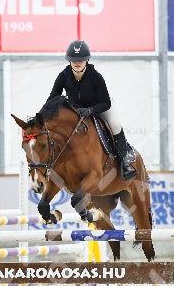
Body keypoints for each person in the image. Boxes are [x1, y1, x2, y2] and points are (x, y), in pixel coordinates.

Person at [48, 40, 137, 181]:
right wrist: (43, 116)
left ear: (87, 60)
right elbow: (52, 99)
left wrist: (90, 111)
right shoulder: (63, 76)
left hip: (99, 106)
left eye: (81, 60)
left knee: (114, 124)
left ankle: (125, 162)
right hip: (76, 110)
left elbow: (106, 103)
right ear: (69, 61)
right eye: (74, 60)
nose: (77, 63)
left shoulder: (96, 77)